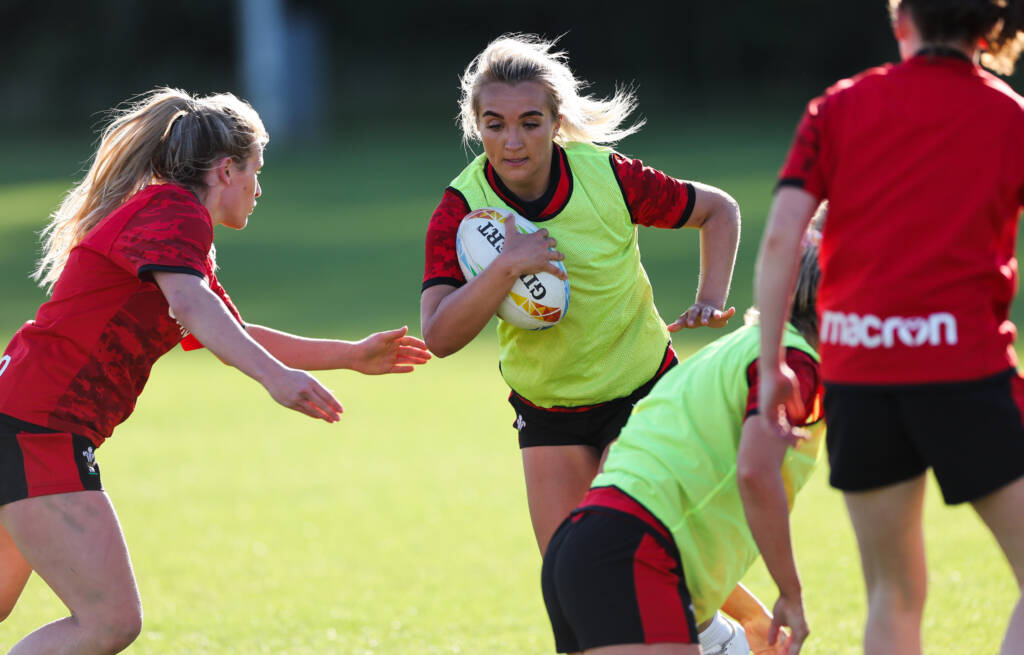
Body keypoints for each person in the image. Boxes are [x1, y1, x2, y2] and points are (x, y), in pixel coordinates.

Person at [0, 87, 431, 654]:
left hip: (20, 416)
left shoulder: (169, 228)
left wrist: (348, 354)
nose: (259, 188)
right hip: (39, 428)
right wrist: (275, 378)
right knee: (107, 622)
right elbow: (196, 307)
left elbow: (228, 330)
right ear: (226, 171)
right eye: (256, 171)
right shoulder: (174, 212)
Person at [751, 2, 1024, 654]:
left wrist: (773, 361)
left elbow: (782, 237)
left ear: (902, 24)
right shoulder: (1008, 115)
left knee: (892, 594)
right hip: (965, 371)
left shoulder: (838, 107)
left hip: (860, 374)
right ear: (987, 31)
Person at [420, 33, 741, 556]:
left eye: (530, 122)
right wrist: (506, 267)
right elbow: (439, 335)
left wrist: (709, 296)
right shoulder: (461, 209)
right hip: (547, 407)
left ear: (556, 121)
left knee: (630, 551)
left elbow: (718, 211)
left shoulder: (607, 177)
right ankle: (740, 617)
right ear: (476, 126)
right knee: (569, 577)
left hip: (641, 390)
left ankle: (751, 615)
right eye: (495, 125)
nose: (512, 142)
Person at [540, 227, 823, 655]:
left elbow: (641, 491)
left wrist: (747, 612)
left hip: (589, 549)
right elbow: (755, 471)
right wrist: (791, 593)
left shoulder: (735, 349)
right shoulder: (794, 363)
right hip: (630, 558)